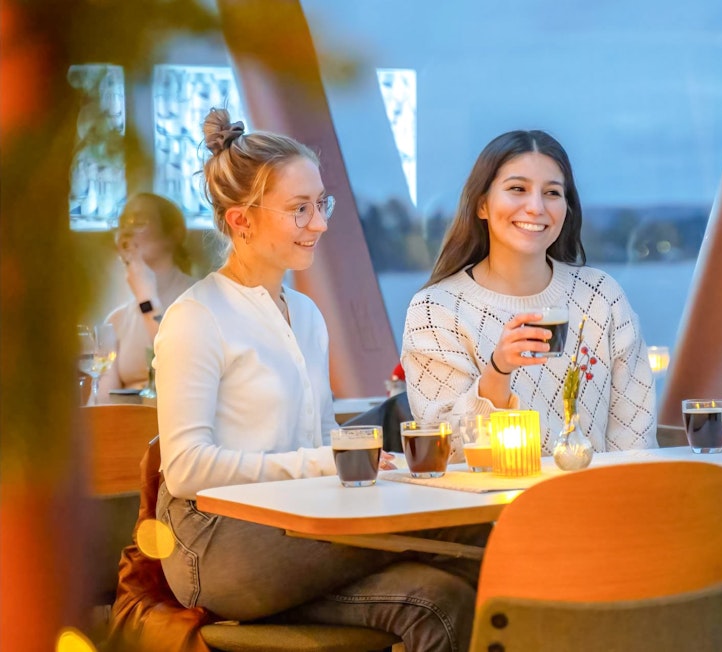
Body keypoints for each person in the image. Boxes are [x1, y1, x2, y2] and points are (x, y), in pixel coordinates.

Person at [154, 109, 487, 652]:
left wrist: (376, 460)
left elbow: (314, 437)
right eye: (300, 209)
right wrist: (325, 463)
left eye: (322, 204)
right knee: (462, 532)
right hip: (215, 543)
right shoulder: (196, 317)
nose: (321, 223)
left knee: (443, 599)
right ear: (242, 221)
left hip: (301, 524)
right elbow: (188, 470)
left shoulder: (305, 313)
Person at [401, 130, 656, 452]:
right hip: (495, 502)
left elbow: (635, 441)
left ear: (567, 208)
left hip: (598, 497)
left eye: (552, 193)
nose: (536, 207)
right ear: (481, 204)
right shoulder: (436, 310)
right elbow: (444, 451)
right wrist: (498, 370)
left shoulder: (601, 296)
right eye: (517, 189)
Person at [97, 193, 195, 395]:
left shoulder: (201, 298)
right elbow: (104, 402)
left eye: (139, 221)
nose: (127, 230)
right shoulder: (117, 320)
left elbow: (180, 366)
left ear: (174, 235)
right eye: (124, 222)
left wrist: (147, 299)